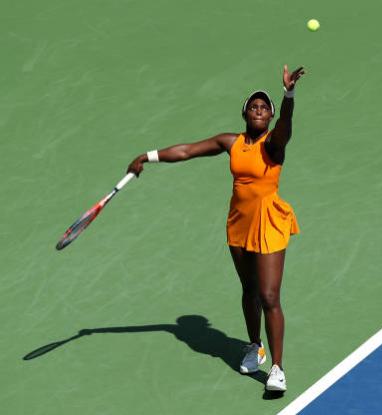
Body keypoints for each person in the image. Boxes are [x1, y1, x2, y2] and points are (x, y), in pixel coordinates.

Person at [127, 65, 305, 392]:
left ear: (270, 116)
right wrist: (147, 157)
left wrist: (289, 94)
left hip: (269, 221)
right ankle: (255, 346)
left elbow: (286, 124)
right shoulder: (231, 142)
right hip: (239, 221)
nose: (259, 110)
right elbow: (187, 151)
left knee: (269, 295)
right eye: (254, 106)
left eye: (265, 108)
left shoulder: (274, 144)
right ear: (244, 113)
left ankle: (277, 369)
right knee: (249, 291)